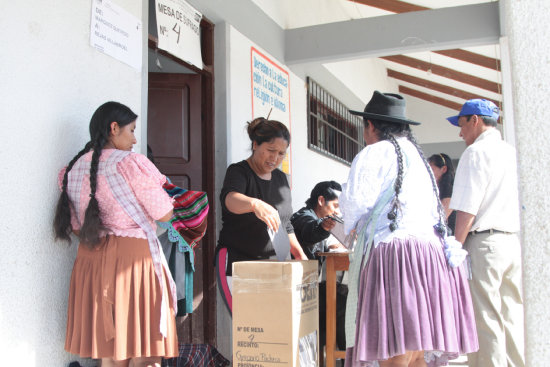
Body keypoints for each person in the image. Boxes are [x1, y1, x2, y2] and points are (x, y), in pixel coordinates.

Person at [341, 91, 478, 367]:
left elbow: (354, 205)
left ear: (370, 125)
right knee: (418, 351)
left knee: (395, 350)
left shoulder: (374, 152)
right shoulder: (419, 158)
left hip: (397, 255)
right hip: (431, 256)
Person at [53, 102, 178, 367]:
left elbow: (76, 226)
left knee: (110, 353)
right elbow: (164, 213)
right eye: (131, 130)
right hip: (132, 262)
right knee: (144, 350)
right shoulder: (130, 163)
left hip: (91, 259)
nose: (134, 139)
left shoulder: (74, 170)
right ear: (113, 128)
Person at [447, 99, 524, 367]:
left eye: (461, 124)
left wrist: (455, 247)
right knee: (511, 317)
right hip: (511, 242)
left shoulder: (475, 152)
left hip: (484, 244)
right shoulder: (510, 151)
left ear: (474, 120)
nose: (460, 132)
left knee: (485, 320)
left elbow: (467, 207)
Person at [215, 117, 307, 311]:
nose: (275, 158)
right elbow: (230, 200)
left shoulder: (281, 179)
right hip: (237, 263)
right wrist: (253, 204)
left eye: (281, 153)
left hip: (272, 266)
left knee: (271, 330)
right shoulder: (239, 172)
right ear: (255, 144)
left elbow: (285, 224)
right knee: (250, 328)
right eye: (271, 151)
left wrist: (299, 254)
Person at [291, 181, 347, 352]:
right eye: (336, 205)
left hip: (310, 287)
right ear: (321, 200)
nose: (338, 211)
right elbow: (310, 231)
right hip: (298, 290)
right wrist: (323, 227)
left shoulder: (318, 218)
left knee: (339, 293)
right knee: (340, 298)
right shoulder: (303, 217)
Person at [428, 153, 457, 233]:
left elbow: (441, 217)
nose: (428, 172)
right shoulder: (432, 188)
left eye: (432, 169)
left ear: (444, 169)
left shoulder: (450, 191)